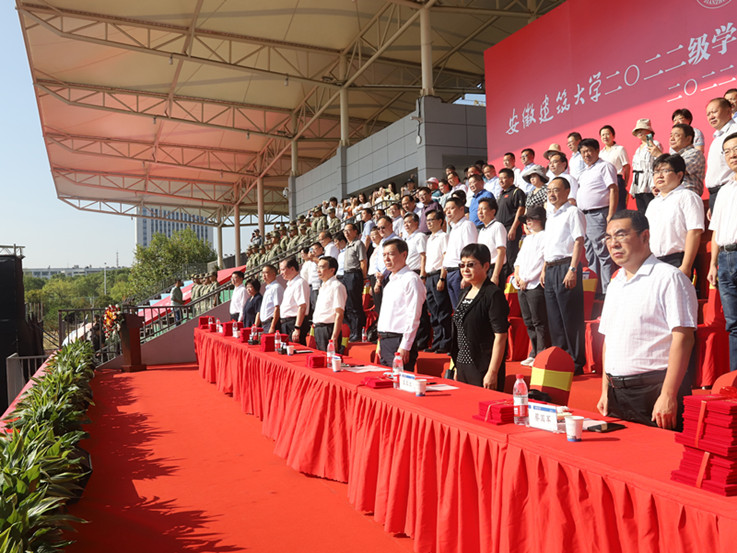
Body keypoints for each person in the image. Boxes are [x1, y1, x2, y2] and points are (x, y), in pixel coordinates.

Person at [597, 210, 697, 430]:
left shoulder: (669, 278)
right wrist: (605, 390)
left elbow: (683, 338)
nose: (613, 244)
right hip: (616, 393)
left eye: (621, 235)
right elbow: (608, 340)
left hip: (654, 392)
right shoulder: (615, 283)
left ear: (645, 236)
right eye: (608, 237)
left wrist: (668, 395)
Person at [541, 177, 587, 374]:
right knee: (555, 318)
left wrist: (573, 269)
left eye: (556, 190)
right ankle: (561, 359)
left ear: (567, 191)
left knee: (570, 317)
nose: (551, 194)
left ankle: (576, 362)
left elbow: (578, 241)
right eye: (549, 191)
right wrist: (544, 268)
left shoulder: (573, 212)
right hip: (551, 268)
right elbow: (549, 245)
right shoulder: (551, 215)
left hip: (566, 266)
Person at [450, 243, 509, 390]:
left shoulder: (493, 294)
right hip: (462, 365)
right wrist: (457, 366)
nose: (465, 269)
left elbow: (501, 336)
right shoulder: (464, 293)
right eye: (462, 265)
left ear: (486, 266)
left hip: (483, 367)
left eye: (470, 264)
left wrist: (492, 372)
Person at [645, 154, 704, 277]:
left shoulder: (688, 197)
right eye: (656, 172)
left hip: (677, 260)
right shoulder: (653, 203)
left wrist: (686, 266)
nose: (659, 175)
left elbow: (694, 232)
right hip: (653, 262)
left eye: (665, 171)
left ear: (679, 175)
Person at [707, 131, 737, 372]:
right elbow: (716, 229)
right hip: (725, 261)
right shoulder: (725, 190)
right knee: (733, 324)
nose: (732, 155)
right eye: (727, 151)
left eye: (736, 149)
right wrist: (712, 264)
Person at [376, 239, 427, 371]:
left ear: (404, 255)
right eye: (384, 255)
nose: (386, 259)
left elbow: (413, 315)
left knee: (400, 381)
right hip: (385, 340)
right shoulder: (390, 281)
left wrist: (405, 346)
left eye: (391, 254)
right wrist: (380, 342)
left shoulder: (411, 279)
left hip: (399, 341)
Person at [577, 138, 617, 294]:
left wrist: (610, 214)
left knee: (603, 253)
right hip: (584, 215)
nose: (586, 155)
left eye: (589, 151)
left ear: (597, 150)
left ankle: (607, 291)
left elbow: (613, 189)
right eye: (583, 152)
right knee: (590, 254)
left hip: (598, 213)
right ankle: (594, 290)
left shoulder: (605, 166)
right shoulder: (585, 172)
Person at [514, 206, 549, 366]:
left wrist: (526, 278)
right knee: (528, 320)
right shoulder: (527, 239)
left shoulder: (545, 236)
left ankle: (541, 353)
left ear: (540, 220)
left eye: (531, 219)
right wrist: (517, 275)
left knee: (538, 321)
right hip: (521, 284)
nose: (528, 222)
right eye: (527, 219)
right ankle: (533, 352)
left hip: (534, 284)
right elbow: (518, 260)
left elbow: (540, 261)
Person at [440, 196, 478, 308]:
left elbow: (470, 251)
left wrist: (466, 276)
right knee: (457, 309)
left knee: (464, 309)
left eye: (451, 208)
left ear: (461, 209)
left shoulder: (467, 225)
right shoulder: (454, 228)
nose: (448, 212)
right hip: (450, 272)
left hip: (459, 272)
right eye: (446, 209)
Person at [424, 209, 452, 353]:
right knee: (433, 311)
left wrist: (442, 277)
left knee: (442, 310)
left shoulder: (444, 236)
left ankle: (446, 342)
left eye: (432, 220)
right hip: (429, 276)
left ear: (440, 221)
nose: (429, 223)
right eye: (427, 220)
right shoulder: (429, 238)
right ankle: (437, 341)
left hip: (438, 275)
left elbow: (445, 258)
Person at [403, 211, 431, 351]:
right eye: (405, 223)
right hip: (407, 273)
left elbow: (423, 256)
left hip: (417, 272)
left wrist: (422, 275)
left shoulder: (419, 236)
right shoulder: (407, 238)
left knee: (419, 308)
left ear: (416, 223)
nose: (406, 225)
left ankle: (422, 339)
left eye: (409, 222)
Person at [705, 97, 737, 210]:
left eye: (714, 112)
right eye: (708, 114)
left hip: (730, 191)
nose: (711, 116)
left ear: (728, 111)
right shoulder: (717, 137)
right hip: (716, 195)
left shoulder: (735, 131)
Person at [312, 256, 347, 352]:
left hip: (328, 329)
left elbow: (339, 314)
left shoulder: (337, 286)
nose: (318, 270)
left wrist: (334, 337)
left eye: (322, 267)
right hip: (318, 328)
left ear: (332, 270)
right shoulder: (323, 286)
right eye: (317, 267)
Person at [495, 168, 526, 276]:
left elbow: (521, 210)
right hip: (501, 229)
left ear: (511, 179)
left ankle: (514, 279)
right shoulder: (501, 194)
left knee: (511, 256)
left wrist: (513, 228)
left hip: (511, 228)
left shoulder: (517, 192)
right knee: (502, 256)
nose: (501, 181)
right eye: (499, 178)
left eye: (504, 178)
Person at [342, 222, 368, 341]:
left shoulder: (358, 244)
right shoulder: (348, 245)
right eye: (344, 231)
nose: (346, 233)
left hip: (355, 274)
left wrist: (363, 278)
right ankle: (352, 330)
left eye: (348, 230)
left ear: (355, 231)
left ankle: (358, 331)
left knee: (355, 304)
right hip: (346, 275)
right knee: (348, 305)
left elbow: (363, 262)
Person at [629, 118, 659, 212]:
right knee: (641, 212)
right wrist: (633, 187)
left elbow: (657, 164)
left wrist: (655, 183)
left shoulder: (654, 144)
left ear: (649, 131)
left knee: (651, 211)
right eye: (638, 130)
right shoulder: (638, 149)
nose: (639, 132)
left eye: (642, 129)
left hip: (649, 184)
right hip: (638, 185)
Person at [278, 257, 310, 344]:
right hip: (286, 323)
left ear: (292, 268)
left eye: (283, 270)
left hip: (294, 323)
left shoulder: (300, 283)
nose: (281, 273)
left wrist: (297, 327)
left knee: (295, 349)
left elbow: (302, 306)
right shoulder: (290, 284)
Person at [476, 197, 507, 286]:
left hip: (495, 269)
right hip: (484, 270)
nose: (480, 212)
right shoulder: (482, 230)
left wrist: (495, 275)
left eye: (483, 209)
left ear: (493, 211)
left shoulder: (498, 226)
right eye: (478, 210)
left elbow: (501, 252)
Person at [599, 125, 630, 211]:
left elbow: (627, 167)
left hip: (617, 180)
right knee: (607, 208)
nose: (605, 137)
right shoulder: (601, 153)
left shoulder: (620, 149)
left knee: (619, 208)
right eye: (603, 135)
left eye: (607, 134)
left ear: (613, 135)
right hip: (604, 182)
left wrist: (625, 182)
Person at [255, 264, 283, 334]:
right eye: (263, 273)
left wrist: (272, 326)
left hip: (271, 323)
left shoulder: (276, 288)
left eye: (266, 273)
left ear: (273, 274)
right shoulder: (268, 288)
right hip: (265, 324)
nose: (263, 275)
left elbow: (277, 308)